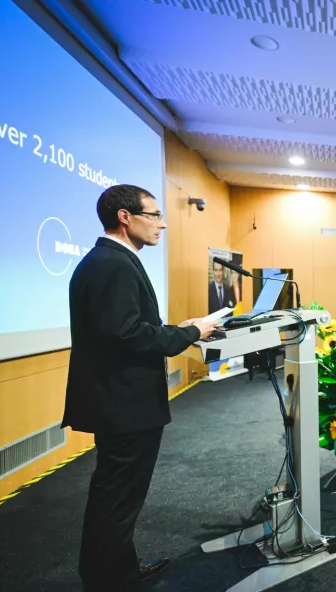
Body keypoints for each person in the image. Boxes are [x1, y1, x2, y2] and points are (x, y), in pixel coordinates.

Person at [63, 185, 216, 591]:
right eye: (153, 215)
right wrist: (187, 333)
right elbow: (127, 335)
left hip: (120, 402)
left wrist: (184, 329)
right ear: (125, 217)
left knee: (116, 496)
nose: (162, 223)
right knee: (117, 499)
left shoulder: (109, 260)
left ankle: (117, 573)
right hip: (124, 405)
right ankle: (108, 581)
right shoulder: (112, 264)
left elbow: (126, 328)